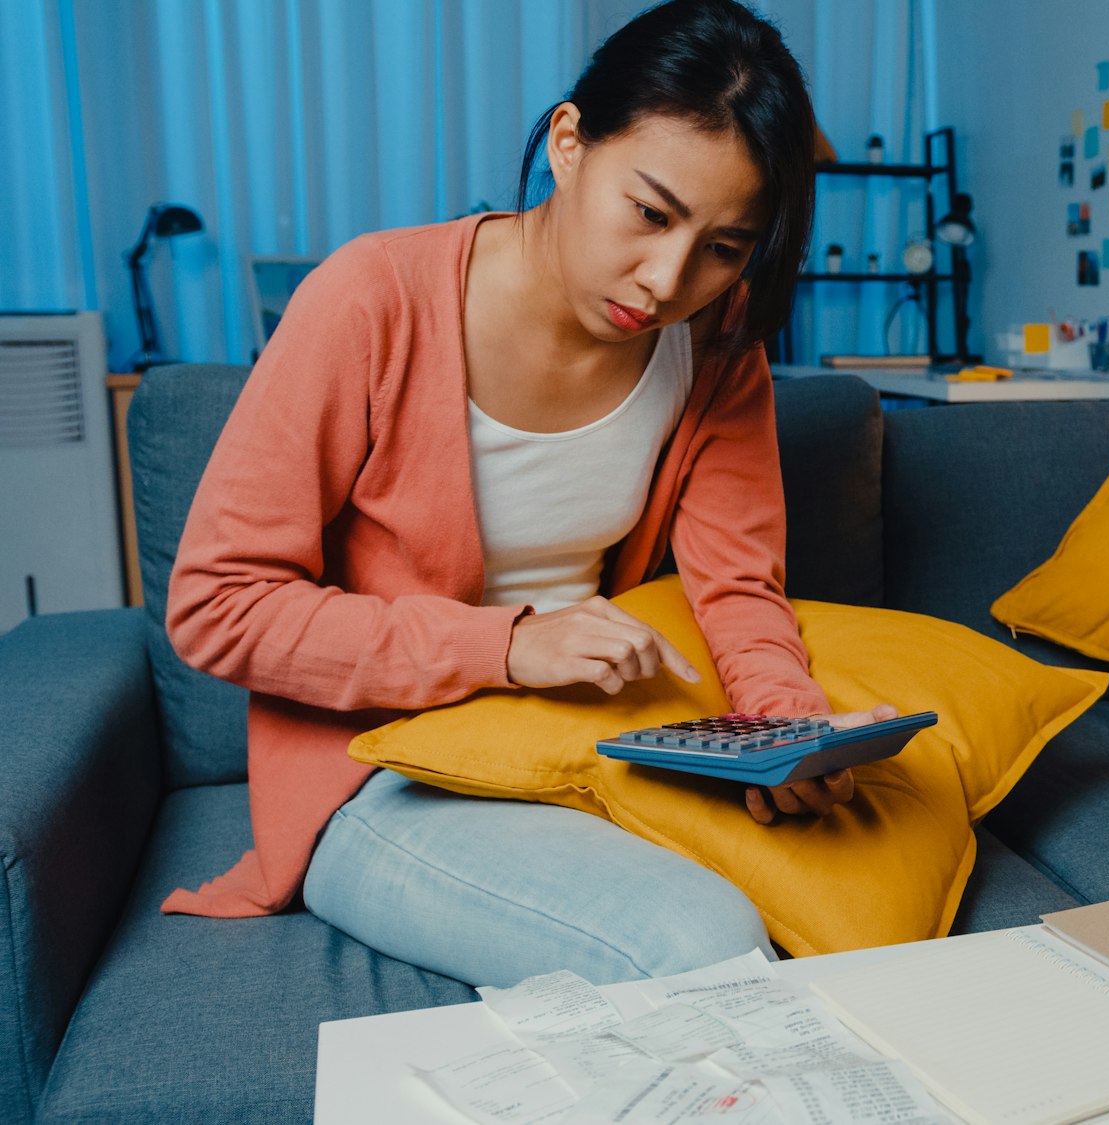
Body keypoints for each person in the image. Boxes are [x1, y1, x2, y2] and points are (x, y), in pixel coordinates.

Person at [161, 0, 891, 987]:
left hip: (579, 745)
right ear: (567, 142)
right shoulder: (369, 298)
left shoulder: (718, 351)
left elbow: (738, 589)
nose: (668, 279)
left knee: (857, 906)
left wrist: (781, 729)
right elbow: (217, 609)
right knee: (698, 948)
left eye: (724, 248)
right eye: (650, 212)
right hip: (383, 769)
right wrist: (507, 645)